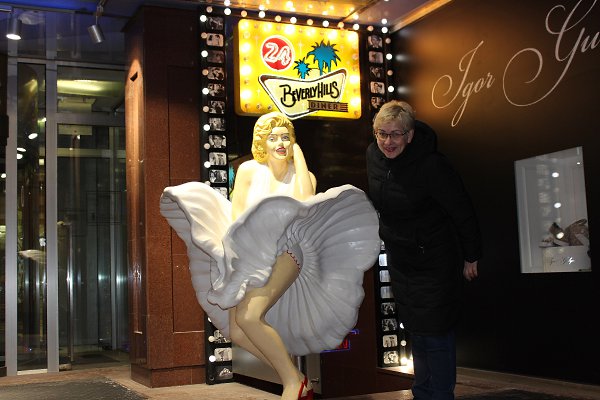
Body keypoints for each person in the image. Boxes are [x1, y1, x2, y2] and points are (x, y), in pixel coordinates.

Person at [160, 112, 380, 400]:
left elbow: (305, 205)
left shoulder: (303, 176)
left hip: (289, 248)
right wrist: (233, 259)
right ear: (262, 142)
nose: (280, 143)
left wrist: (299, 158)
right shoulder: (249, 170)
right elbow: (237, 215)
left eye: (286, 138)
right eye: (273, 137)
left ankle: (293, 384)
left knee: (250, 316)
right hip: (251, 251)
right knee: (237, 330)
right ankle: (296, 377)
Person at [365, 100, 481, 400]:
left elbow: (461, 209)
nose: (388, 141)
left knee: (436, 331)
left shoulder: (432, 165)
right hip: (401, 258)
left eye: (396, 134)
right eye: (382, 134)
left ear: (410, 135)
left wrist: (472, 255)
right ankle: (422, 393)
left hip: (435, 257)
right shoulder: (373, 157)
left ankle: (440, 395)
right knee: (416, 329)